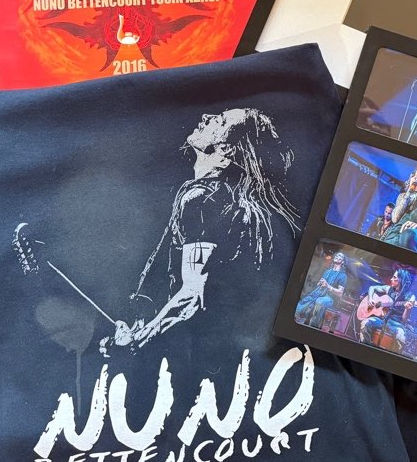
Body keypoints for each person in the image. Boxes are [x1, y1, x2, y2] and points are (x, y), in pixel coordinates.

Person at [99, 108, 299, 355]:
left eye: (221, 121)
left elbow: (193, 295)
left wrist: (138, 342)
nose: (206, 117)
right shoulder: (224, 198)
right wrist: (139, 326)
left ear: (226, 152)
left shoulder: (202, 199)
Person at [358, 268, 415, 352]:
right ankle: (365, 350)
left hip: (396, 324)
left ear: (401, 280)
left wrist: (407, 309)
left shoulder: (410, 297)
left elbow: (404, 320)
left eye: (394, 277)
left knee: (401, 337)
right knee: (365, 323)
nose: (391, 279)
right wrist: (370, 299)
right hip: (382, 320)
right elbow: (372, 288)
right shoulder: (389, 289)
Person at [295, 251, 347, 329]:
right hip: (318, 293)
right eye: (337, 255)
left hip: (329, 297)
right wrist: (319, 283)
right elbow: (319, 284)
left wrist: (328, 286)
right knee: (302, 303)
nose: (337, 256)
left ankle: (313, 327)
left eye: (340, 256)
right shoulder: (327, 271)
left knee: (320, 301)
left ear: (342, 261)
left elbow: (340, 293)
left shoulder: (343, 276)